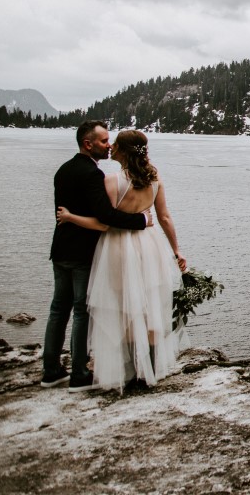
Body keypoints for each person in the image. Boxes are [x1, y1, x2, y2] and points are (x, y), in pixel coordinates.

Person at [56, 129, 188, 392]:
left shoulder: (112, 181)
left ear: (124, 151)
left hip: (119, 246)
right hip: (150, 246)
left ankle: (129, 374)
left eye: (114, 144)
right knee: (148, 307)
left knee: (125, 308)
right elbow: (164, 217)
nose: (110, 147)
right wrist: (176, 250)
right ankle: (145, 373)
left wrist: (70, 217)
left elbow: (104, 222)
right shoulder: (155, 178)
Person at [42, 120, 153, 392]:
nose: (109, 145)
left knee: (58, 309)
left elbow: (62, 211)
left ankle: (51, 371)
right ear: (87, 143)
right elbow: (106, 217)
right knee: (81, 311)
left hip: (61, 249)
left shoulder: (63, 170)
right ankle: (79, 374)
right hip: (83, 252)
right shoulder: (93, 175)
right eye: (104, 141)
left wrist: (69, 218)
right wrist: (141, 220)